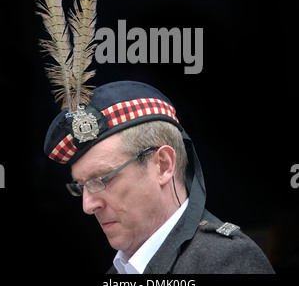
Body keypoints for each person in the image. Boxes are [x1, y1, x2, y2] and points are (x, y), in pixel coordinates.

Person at [44, 80, 275, 274]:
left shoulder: (227, 263)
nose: (88, 205)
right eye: (81, 186)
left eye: (102, 179)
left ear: (163, 165)